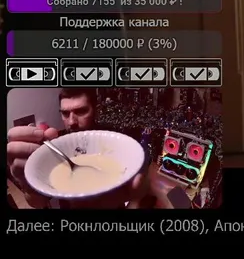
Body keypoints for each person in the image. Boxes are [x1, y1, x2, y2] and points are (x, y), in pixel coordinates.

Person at [6, 89, 147, 208]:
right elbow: (38, 203)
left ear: (96, 110)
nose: (71, 121)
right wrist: (27, 184)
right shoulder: (54, 147)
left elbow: (138, 189)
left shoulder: (115, 139)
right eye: (65, 113)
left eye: (81, 111)